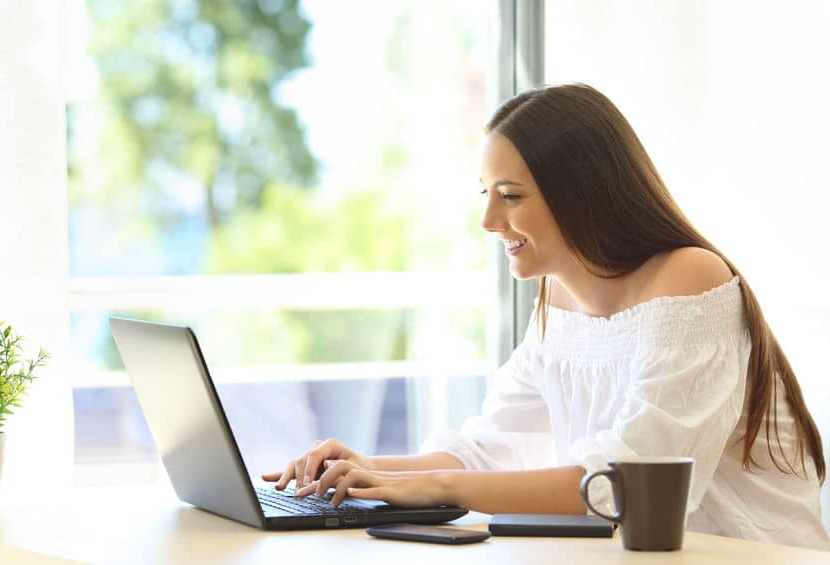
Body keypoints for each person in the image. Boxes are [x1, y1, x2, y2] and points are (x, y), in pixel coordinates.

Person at [262, 84, 828, 549]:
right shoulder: (557, 300)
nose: (488, 220)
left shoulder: (689, 277)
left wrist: (430, 484)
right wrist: (367, 470)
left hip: (748, 554)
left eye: (510, 195)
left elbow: (625, 482)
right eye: (486, 192)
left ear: (584, 193)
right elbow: (490, 449)